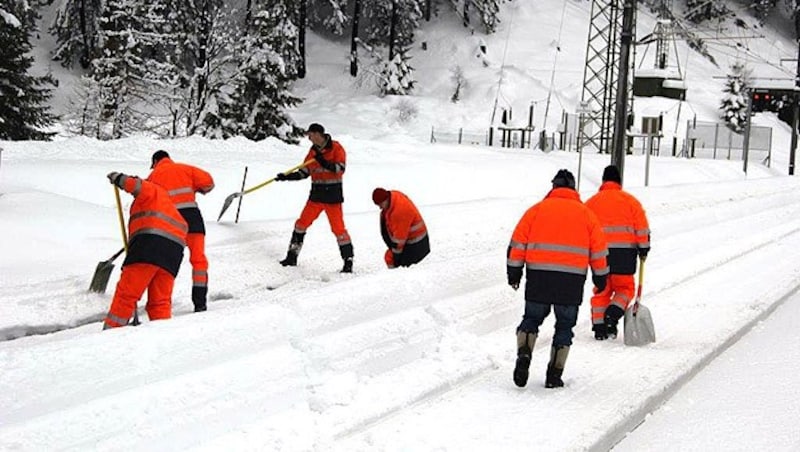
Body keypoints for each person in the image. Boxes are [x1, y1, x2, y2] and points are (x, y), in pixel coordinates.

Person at [507, 169, 609, 388]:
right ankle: (554, 374)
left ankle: (524, 353)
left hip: (538, 278)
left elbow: (517, 244)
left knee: (531, 318)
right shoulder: (587, 214)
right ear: (573, 188)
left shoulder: (535, 211)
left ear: (553, 187)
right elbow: (599, 250)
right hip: (570, 282)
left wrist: (514, 272)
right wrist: (601, 277)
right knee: (564, 326)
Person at [103, 172, 188, 329]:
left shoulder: (153, 190)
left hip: (149, 247)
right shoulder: (168, 207)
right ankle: (162, 335)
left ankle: (110, 334)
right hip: (173, 254)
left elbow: (135, 185)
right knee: (160, 302)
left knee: (127, 294)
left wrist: (119, 178)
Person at [275, 123, 354, 273]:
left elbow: (340, 169)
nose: (309, 138)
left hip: (332, 198)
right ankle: (291, 257)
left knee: (339, 230)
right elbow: (303, 172)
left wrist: (323, 161)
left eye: (310, 135)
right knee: (300, 225)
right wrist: (286, 177)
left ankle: (348, 261)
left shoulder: (336, 148)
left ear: (318, 134)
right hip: (316, 197)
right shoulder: (312, 152)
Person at [585, 165, 651, 340]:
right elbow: (642, 227)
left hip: (600, 256)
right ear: (619, 182)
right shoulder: (631, 202)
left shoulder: (591, 202)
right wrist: (643, 247)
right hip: (624, 255)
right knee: (625, 288)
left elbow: (584, 228)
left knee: (602, 289)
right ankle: (612, 315)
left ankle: (599, 328)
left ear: (603, 181)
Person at [147, 150, 215, 312]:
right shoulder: (186, 169)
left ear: (156, 161)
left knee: (166, 264)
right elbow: (208, 183)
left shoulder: (152, 177)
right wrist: (197, 189)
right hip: (193, 220)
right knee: (199, 261)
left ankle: (161, 304)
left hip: (169, 223)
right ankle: (200, 303)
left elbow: (145, 199)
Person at [372, 188, 430, 268]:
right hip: (418, 241)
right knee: (389, 256)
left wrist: (396, 259)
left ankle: (396, 276)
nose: (380, 208)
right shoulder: (394, 196)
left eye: (380, 204)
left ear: (386, 199)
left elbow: (399, 240)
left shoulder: (399, 212)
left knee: (389, 258)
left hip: (416, 245)